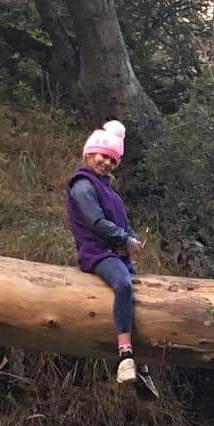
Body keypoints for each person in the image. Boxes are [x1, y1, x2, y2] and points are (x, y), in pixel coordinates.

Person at [65, 120, 145, 385]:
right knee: (123, 286)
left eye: (113, 159)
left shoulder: (108, 189)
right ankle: (124, 355)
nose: (107, 163)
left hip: (116, 253)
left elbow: (120, 223)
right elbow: (96, 223)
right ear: (89, 154)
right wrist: (124, 238)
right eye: (103, 156)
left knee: (140, 290)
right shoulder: (83, 185)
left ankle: (142, 362)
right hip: (97, 253)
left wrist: (131, 236)